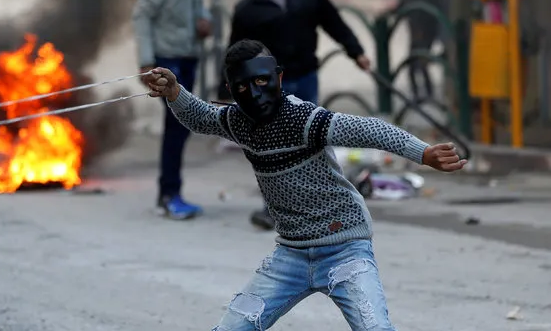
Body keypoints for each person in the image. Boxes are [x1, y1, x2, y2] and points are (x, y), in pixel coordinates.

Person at [144, 39, 466, 331]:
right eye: (243, 87)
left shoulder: (305, 120)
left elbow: (368, 129)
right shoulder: (237, 121)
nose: (254, 94)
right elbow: (202, 117)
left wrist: (423, 152)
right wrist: (175, 92)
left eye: (261, 81)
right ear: (231, 89)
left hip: (345, 249)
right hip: (291, 256)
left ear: (278, 78)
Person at [217, 0, 372, 229]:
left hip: (306, 76)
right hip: (268, 87)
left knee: (310, 141)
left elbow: (333, 22)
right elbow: (235, 51)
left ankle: (319, 204)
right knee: (271, 145)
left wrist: (357, 52)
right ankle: (273, 208)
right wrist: (224, 89)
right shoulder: (247, 9)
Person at [132, 0, 212, 220]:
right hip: (166, 58)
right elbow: (142, 15)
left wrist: (204, 20)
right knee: (176, 125)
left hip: (190, 54)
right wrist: (146, 62)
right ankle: (168, 194)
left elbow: (198, 5)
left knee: (183, 124)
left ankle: (171, 192)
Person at [396, 0, 444, 101]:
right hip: (426, 30)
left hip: (418, 29)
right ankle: (425, 95)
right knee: (419, 63)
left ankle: (420, 96)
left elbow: (401, 8)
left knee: (415, 64)